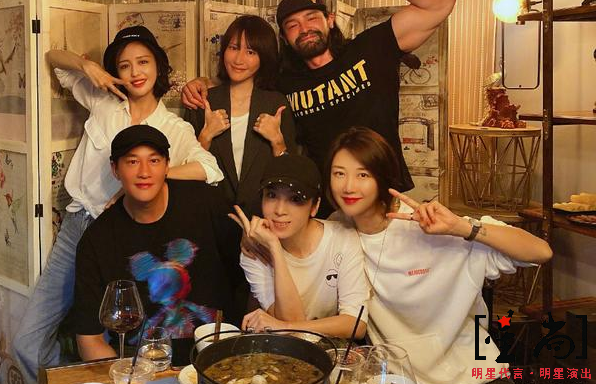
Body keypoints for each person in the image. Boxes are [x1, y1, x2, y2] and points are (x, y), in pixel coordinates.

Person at [13, 26, 223, 382]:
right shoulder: (103, 101)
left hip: (126, 236)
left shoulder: (173, 127)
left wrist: (151, 176)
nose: (135, 72)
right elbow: (54, 59)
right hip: (78, 228)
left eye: (143, 62)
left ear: (158, 66)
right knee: (27, 342)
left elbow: (210, 169)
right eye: (125, 65)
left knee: (118, 337)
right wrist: (87, 66)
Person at [182, 0, 456, 216]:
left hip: (382, 197)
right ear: (285, 38)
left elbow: (442, 2)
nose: (304, 29)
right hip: (324, 206)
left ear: (330, 20)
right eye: (292, 25)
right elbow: (244, 75)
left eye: (312, 18)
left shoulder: (370, 49)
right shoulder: (284, 82)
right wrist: (202, 83)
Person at [324, 126, 553, 384]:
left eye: (363, 174)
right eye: (339, 173)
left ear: (383, 177)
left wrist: (462, 228)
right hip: (401, 378)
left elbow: (540, 251)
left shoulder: (430, 227)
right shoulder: (337, 231)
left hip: (474, 376)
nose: (348, 186)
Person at [72, 125, 244, 360]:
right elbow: (89, 339)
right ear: (115, 169)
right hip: (141, 363)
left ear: (167, 165)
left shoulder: (207, 204)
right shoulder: (97, 240)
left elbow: (248, 279)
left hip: (219, 355)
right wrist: (126, 374)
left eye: (154, 161)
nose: (144, 172)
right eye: (132, 162)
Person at [232, 154, 369, 339]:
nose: (280, 210)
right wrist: (275, 249)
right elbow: (293, 329)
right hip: (287, 350)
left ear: (315, 206)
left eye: (295, 199)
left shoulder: (342, 238)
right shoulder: (254, 251)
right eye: (271, 196)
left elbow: (356, 325)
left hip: (330, 349)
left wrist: (285, 326)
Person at [185, 15, 297, 216]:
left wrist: (278, 142)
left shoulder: (276, 103)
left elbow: (291, 174)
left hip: (263, 217)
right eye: (234, 48)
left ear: (264, 57)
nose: (238, 60)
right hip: (209, 214)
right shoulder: (203, 101)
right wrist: (206, 136)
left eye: (250, 52)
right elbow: (182, 169)